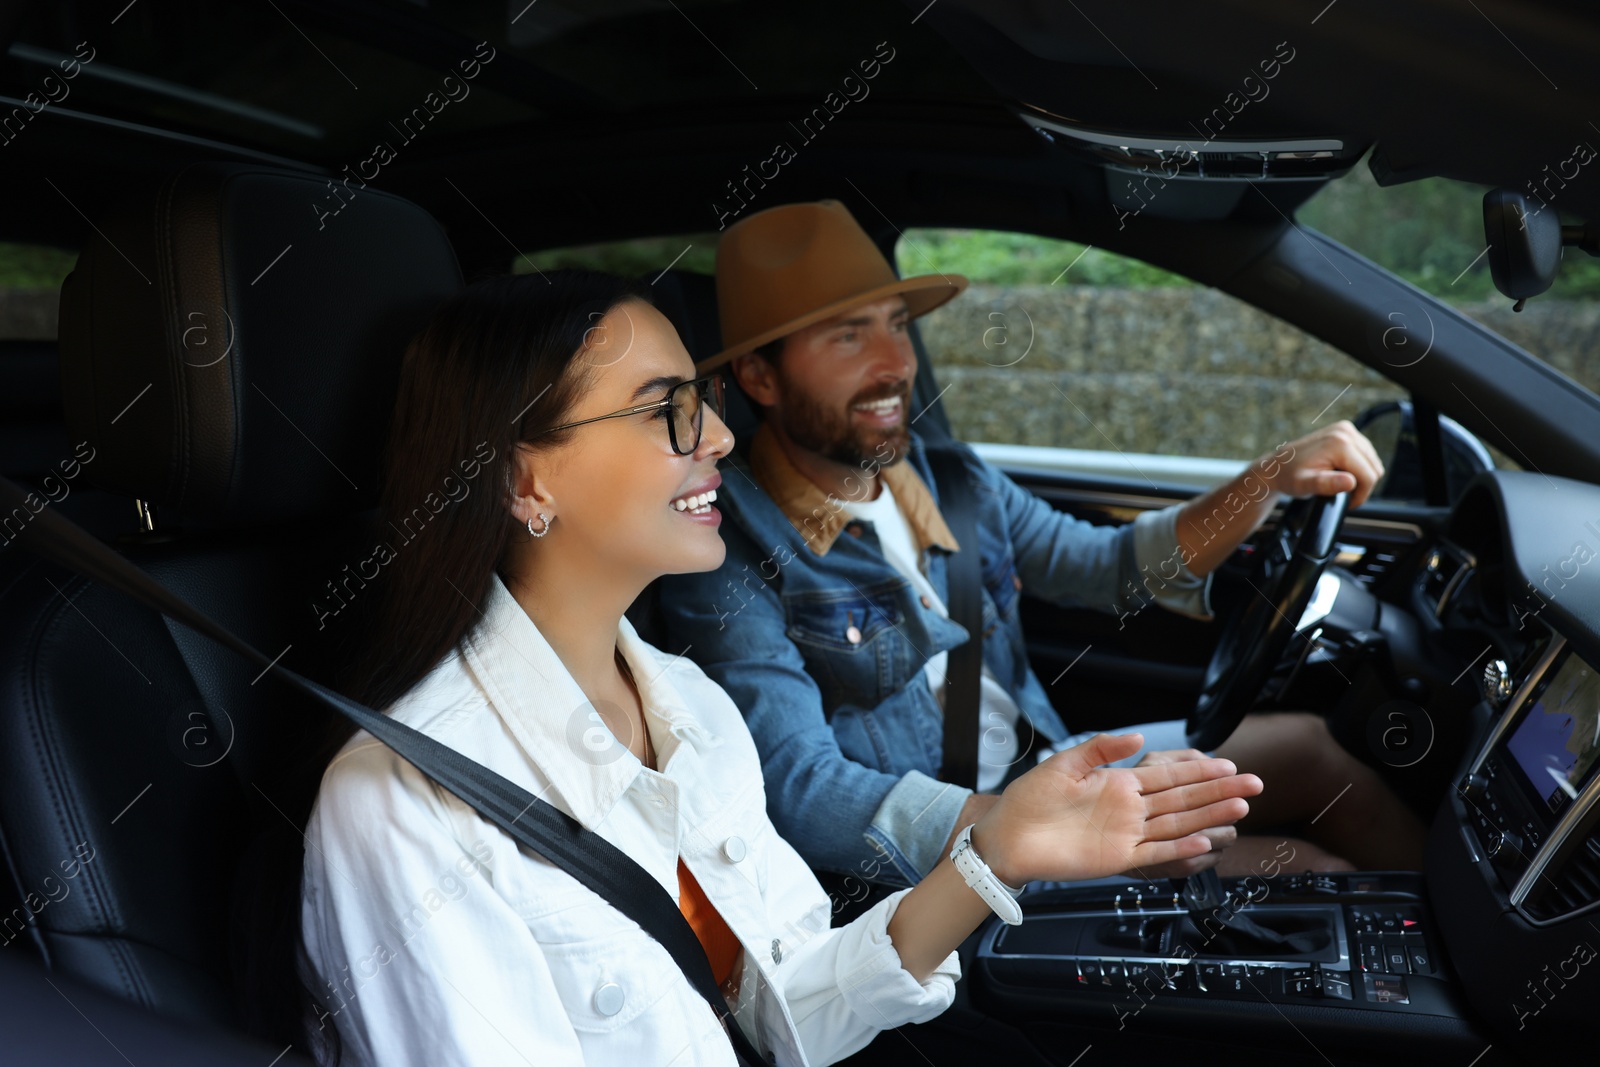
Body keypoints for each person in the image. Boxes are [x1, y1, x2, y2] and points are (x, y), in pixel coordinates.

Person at [297, 270, 1262, 1066]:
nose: (715, 437)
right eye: (664, 411)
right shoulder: (405, 803)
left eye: (700, 401)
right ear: (524, 480)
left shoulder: (693, 709)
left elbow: (790, 1005)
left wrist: (996, 848)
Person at [657, 199, 1428, 892]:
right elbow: (802, 789)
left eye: (897, 324)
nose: (897, 363)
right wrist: (1039, 827)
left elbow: (1117, 571)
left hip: (1052, 768)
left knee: (1313, 749)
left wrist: (1264, 480)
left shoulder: (950, 480)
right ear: (759, 377)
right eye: (849, 336)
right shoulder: (726, 555)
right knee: (1322, 880)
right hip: (970, 863)